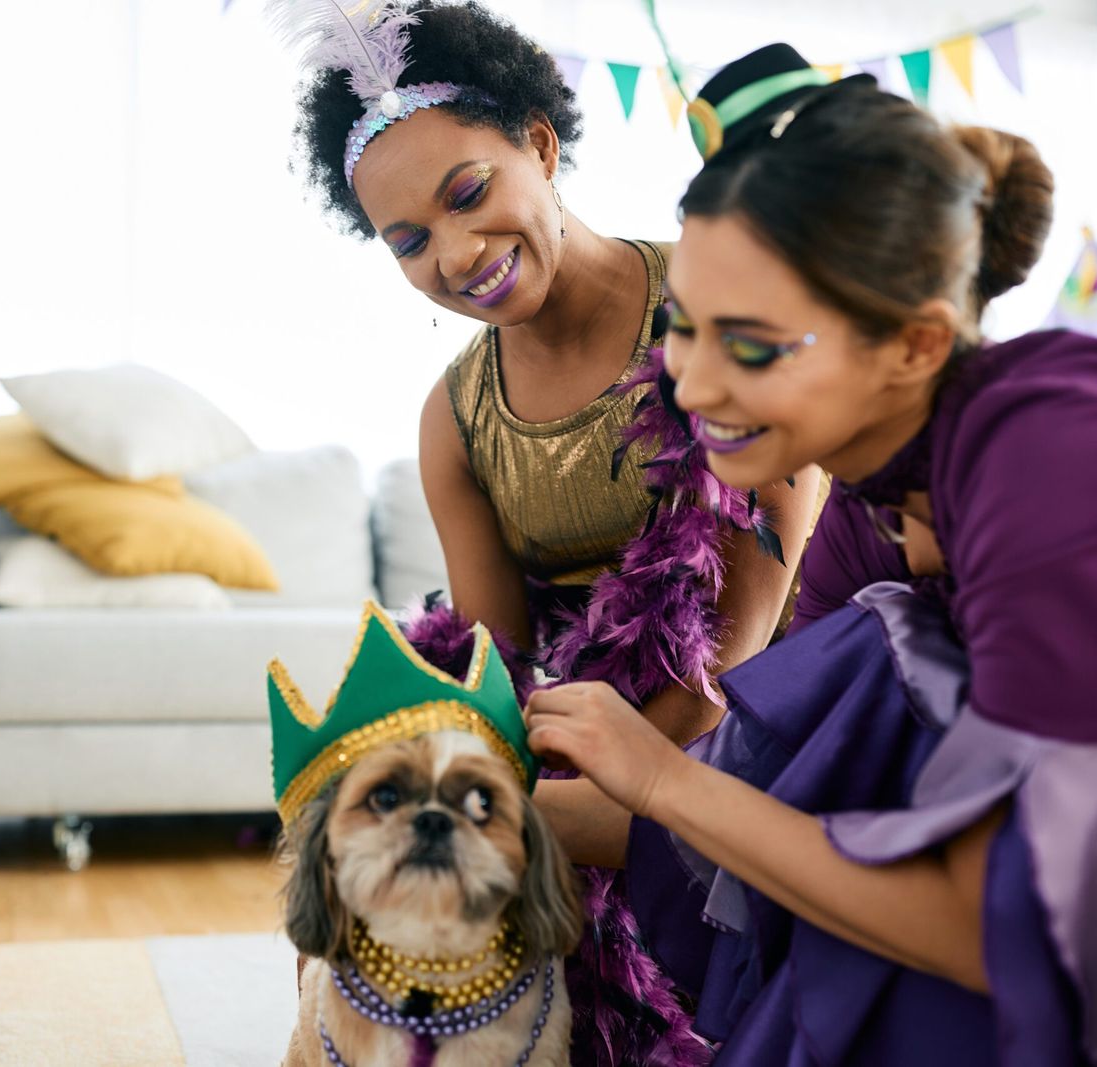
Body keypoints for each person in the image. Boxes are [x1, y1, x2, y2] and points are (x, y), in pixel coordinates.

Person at [526, 42, 1097, 1065]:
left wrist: (660, 779)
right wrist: (512, 810)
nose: (692, 388)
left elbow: (1003, 931)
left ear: (918, 344)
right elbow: (795, 812)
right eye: (683, 329)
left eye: (750, 343)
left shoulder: (1056, 444)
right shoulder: (862, 499)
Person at [282, 5, 816, 1062]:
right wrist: (492, 801)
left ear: (538, 142)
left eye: (469, 193)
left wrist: (563, 810)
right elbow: (496, 664)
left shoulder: (715, 305)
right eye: (409, 240)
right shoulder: (455, 417)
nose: (457, 252)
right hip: (573, 720)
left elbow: (737, 638)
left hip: (760, 698)